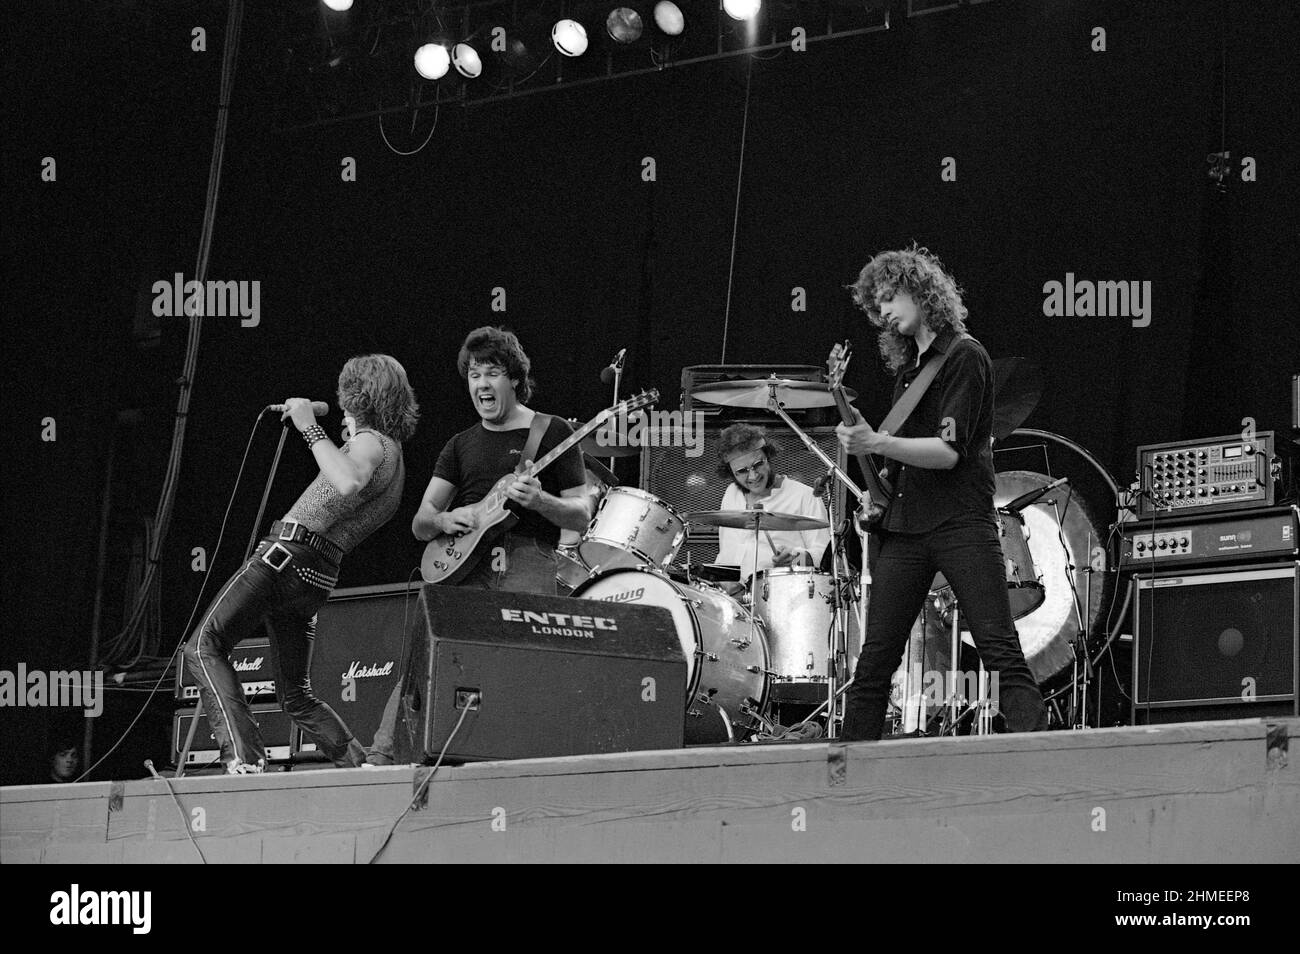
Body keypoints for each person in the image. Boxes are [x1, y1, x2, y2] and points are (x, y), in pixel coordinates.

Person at [835, 246, 1047, 741]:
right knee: (875, 659)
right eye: (875, 307)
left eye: (888, 298)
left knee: (997, 644)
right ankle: (845, 767)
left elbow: (949, 453)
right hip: (906, 528)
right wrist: (878, 492)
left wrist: (876, 441)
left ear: (918, 290)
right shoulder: (908, 372)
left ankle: (1039, 747)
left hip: (960, 522)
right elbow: (901, 461)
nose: (882, 313)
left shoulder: (965, 356)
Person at [183, 355, 419, 773]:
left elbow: (347, 481)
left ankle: (244, 758)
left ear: (356, 396)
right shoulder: (392, 454)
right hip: (316, 574)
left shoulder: (371, 444)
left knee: (204, 646)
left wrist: (309, 426)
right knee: (295, 696)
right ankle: (359, 766)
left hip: (286, 559)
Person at [367, 326, 591, 765]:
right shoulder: (460, 444)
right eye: (473, 375)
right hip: (463, 568)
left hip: (527, 558)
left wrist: (541, 501)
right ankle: (382, 756)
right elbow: (421, 521)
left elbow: (581, 514)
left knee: (528, 666)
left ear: (514, 379)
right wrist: (449, 517)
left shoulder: (552, 430)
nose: (481, 384)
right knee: (426, 661)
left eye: (491, 373)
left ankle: (527, 763)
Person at [714, 423, 830, 589]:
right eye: (742, 471)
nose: (753, 476)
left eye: (758, 464)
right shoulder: (731, 493)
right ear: (730, 472)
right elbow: (726, 553)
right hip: (729, 598)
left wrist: (796, 557)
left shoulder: (804, 496)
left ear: (768, 457)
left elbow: (826, 558)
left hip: (776, 597)